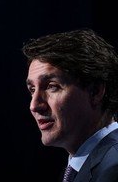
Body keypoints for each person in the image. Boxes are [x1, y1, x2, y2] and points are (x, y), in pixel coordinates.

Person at [22, 28, 118, 182]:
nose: (34, 105)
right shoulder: (79, 166)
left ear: (95, 91)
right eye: (32, 90)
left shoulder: (113, 168)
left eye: (51, 86)